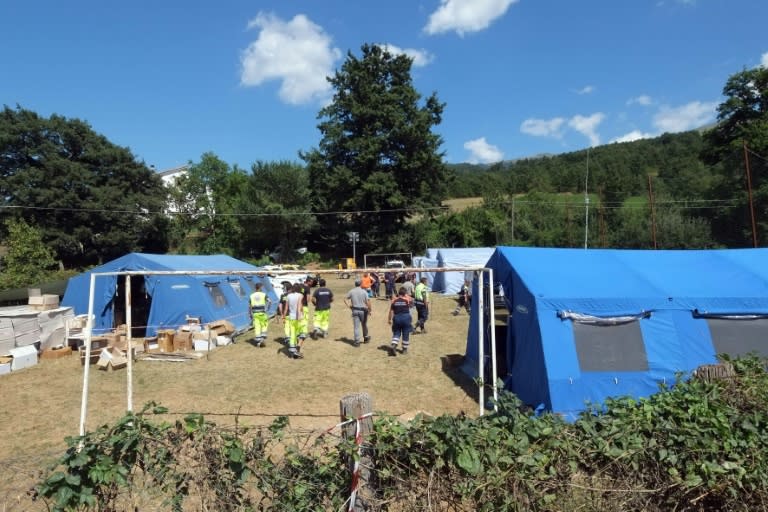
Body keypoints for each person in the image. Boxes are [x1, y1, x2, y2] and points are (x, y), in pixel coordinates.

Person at [344, 278, 372, 346]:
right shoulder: (364, 291)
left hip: (355, 310)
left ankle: (357, 341)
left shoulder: (351, 291)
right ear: (361, 284)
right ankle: (365, 338)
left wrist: (349, 306)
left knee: (356, 327)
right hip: (363, 310)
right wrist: (369, 310)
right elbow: (368, 302)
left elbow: (345, 299)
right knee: (364, 324)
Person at [387, 287, 413, 356]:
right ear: (405, 293)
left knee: (396, 332)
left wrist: (389, 319)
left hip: (397, 317)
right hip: (406, 317)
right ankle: (404, 350)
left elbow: (391, 311)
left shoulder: (394, 300)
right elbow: (412, 305)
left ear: (398, 293)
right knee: (406, 333)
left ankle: (394, 345)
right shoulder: (408, 299)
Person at [282, 283, 305, 359]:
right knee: (301, 335)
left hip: (291, 317)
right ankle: (297, 350)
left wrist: (284, 317)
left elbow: (286, 308)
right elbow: (299, 307)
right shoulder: (300, 295)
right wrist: (300, 316)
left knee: (292, 334)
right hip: (298, 317)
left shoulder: (288, 296)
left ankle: (292, 348)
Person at [249, 282, 272, 347]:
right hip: (262, 313)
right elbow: (270, 301)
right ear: (261, 287)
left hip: (255, 314)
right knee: (264, 325)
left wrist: (250, 314)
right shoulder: (264, 294)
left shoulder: (251, 295)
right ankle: (262, 338)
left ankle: (258, 341)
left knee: (257, 327)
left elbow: (250, 306)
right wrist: (267, 309)